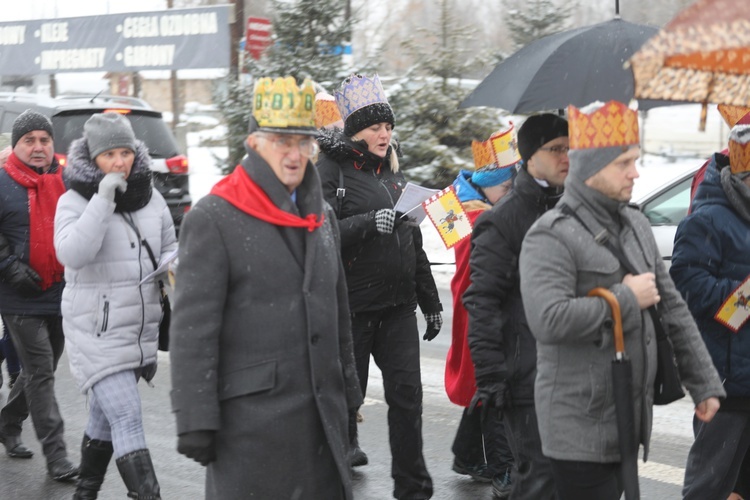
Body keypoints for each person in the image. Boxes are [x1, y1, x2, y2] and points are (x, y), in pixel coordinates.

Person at [518, 100, 726, 499]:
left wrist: (704, 383)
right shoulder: (551, 234)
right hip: (578, 425)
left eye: (636, 159)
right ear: (593, 167)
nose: (636, 172)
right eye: (624, 162)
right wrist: (625, 297)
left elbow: (673, 308)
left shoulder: (635, 223)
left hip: (628, 417)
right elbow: (548, 319)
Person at [169, 76, 361, 500]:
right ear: (255, 144)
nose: (295, 155)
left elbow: (337, 304)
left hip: (320, 419)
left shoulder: (322, 215)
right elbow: (193, 328)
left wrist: (348, 386)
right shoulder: (215, 217)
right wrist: (195, 415)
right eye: (281, 142)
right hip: (252, 427)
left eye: (303, 143)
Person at [317, 73, 443, 500]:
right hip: (352, 308)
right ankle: (331, 486)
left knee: (408, 400)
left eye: (388, 127)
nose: (384, 134)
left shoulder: (393, 173)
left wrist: (429, 300)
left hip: (397, 309)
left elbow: (412, 240)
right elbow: (320, 229)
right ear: (355, 130)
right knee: (344, 405)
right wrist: (368, 224)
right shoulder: (331, 169)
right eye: (375, 127)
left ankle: (414, 489)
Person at [53, 112, 176, 499]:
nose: (120, 162)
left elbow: (169, 246)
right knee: (126, 415)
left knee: (104, 418)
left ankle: (85, 491)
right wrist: (102, 200)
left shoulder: (150, 196)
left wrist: (177, 263)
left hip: (139, 328)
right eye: (109, 155)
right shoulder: (73, 200)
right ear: (92, 159)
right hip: (95, 329)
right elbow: (72, 253)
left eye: (125, 152)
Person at [463, 113, 568, 499]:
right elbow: (483, 300)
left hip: (573, 375)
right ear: (529, 156)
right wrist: (492, 377)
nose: (566, 157)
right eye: (556, 149)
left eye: (570, 149)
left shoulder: (575, 209)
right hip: (526, 379)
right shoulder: (503, 220)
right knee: (539, 483)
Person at [671, 124, 750, 499]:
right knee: (712, 486)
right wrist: (747, 296)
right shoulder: (707, 219)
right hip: (727, 381)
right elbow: (689, 288)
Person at [0, 110, 78, 482]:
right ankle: (57, 455)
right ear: (15, 146)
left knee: (37, 371)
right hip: (17, 296)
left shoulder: (66, 182)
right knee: (41, 372)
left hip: (60, 290)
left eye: (44, 140)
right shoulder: (1, 181)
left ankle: (7, 421)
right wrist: (11, 268)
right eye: (29, 140)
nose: (38, 147)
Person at [445, 126, 517, 498]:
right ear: (488, 184)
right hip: (476, 305)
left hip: (480, 302)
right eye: (505, 189)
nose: (509, 195)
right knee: (491, 382)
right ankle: (504, 467)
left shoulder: (476, 207)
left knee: (481, 379)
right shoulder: (472, 215)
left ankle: (469, 454)